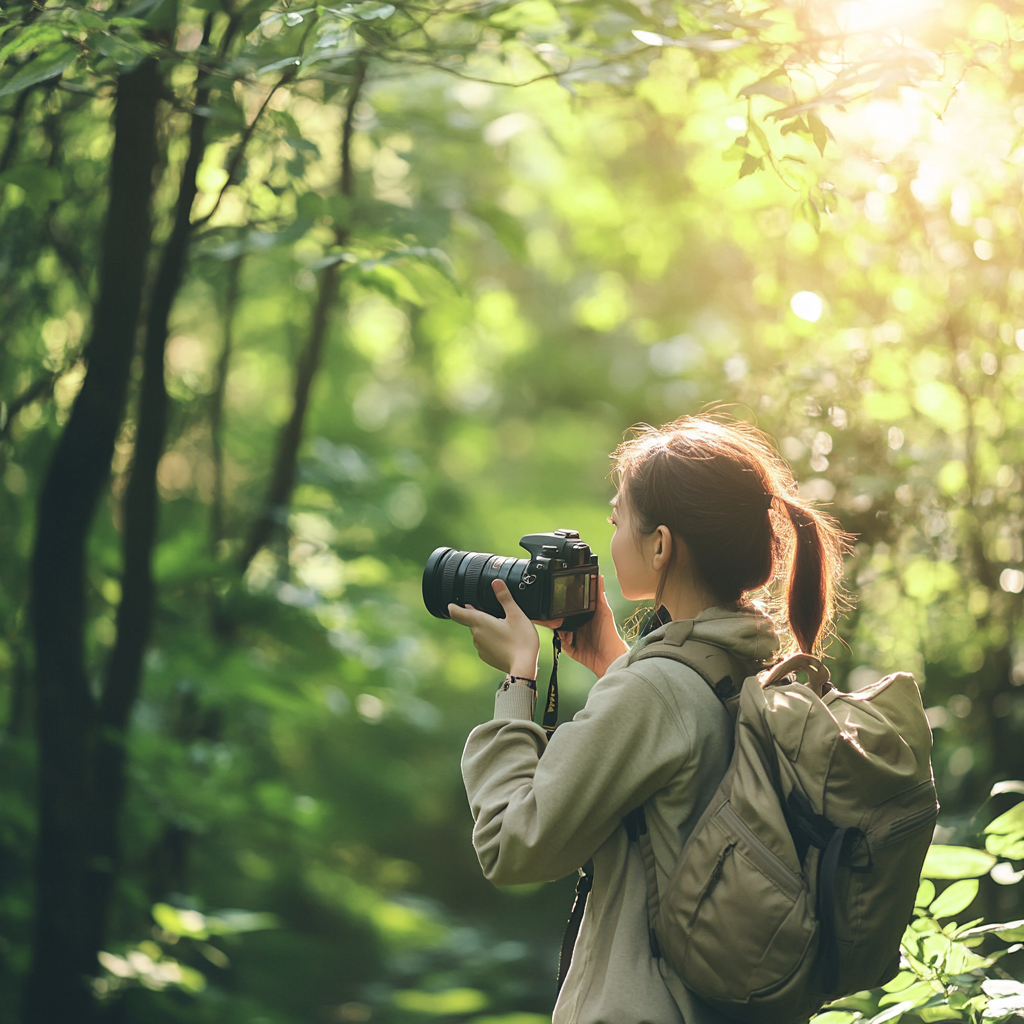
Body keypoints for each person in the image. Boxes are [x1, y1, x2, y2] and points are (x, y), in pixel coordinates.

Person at [449, 415, 849, 1024]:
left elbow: (512, 844)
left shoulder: (655, 691)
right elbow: (679, 779)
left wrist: (517, 678)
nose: (608, 540)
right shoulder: (752, 666)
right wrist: (614, 659)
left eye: (616, 522)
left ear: (661, 545)